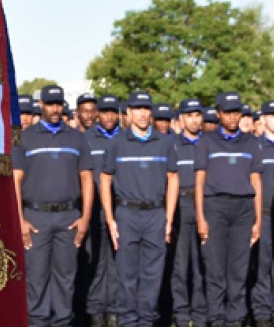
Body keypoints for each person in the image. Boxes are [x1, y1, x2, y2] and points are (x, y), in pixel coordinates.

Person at [13, 85, 94, 326]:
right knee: (36, 280)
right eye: (50, 104)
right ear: (42, 106)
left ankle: (61, 322)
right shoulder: (26, 138)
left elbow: (87, 179)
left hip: (68, 217)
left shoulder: (77, 138)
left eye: (58, 104)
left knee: (65, 280)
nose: (55, 109)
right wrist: (21, 220)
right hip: (36, 218)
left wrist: (85, 219)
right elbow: (15, 181)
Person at [100, 91, 179, 327]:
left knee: (153, 276)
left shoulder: (165, 142)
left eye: (146, 109)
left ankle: (146, 321)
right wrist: (110, 219)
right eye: (138, 109)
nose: (143, 114)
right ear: (129, 112)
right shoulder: (116, 143)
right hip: (127, 215)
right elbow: (104, 179)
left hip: (156, 214)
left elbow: (173, 178)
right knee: (126, 275)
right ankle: (127, 322)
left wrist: (169, 218)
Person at [195, 92, 262, 327]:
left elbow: (256, 182)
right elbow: (200, 181)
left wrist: (258, 220)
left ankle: (235, 319)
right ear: (218, 113)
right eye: (228, 112)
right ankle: (216, 318)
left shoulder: (251, 141)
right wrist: (201, 217)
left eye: (237, 112)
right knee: (215, 269)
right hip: (215, 207)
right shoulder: (206, 141)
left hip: (244, 209)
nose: (233, 117)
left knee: (239, 269)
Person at [83, 94, 122, 327]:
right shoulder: (85, 139)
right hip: (95, 209)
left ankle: (114, 309)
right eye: (104, 111)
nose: (108, 116)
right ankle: (97, 311)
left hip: (120, 210)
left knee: (117, 263)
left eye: (112, 111)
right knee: (97, 262)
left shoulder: (126, 139)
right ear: (97, 113)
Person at [251, 101, 274, 327]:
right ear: (262, 120)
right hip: (262, 215)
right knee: (262, 266)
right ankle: (262, 313)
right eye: (271, 115)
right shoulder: (255, 148)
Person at [170, 99, 207, 327]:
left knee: (203, 264)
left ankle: (201, 314)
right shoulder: (171, 145)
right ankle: (182, 315)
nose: (194, 120)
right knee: (181, 265)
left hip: (206, 207)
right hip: (182, 206)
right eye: (189, 115)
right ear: (181, 119)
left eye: (197, 115)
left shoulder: (210, 143)